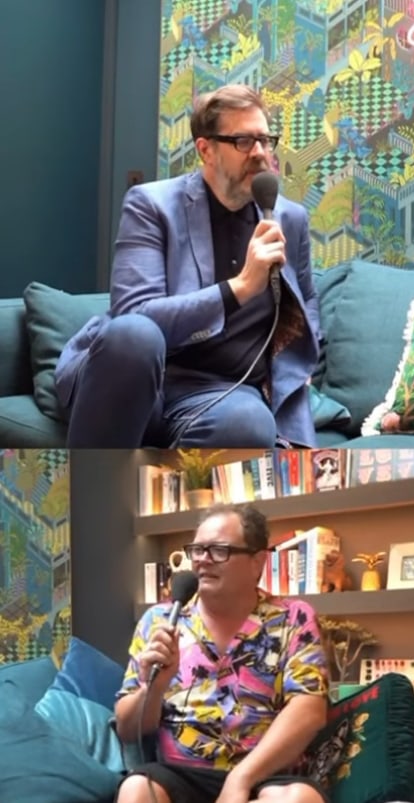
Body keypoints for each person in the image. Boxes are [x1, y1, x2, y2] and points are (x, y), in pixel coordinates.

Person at [54, 84, 321, 448]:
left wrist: (297, 369)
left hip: (218, 393)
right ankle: (97, 496)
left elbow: (307, 305)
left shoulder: (288, 217)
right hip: (141, 373)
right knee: (135, 334)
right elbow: (136, 312)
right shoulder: (152, 204)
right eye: (243, 141)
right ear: (205, 149)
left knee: (251, 422)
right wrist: (239, 288)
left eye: (265, 139)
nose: (259, 153)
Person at [114, 502, 330, 803]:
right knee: (136, 790)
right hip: (179, 775)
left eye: (219, 550)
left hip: (264, 773)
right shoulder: (160, 622)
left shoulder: (293, 618)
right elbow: (127, 728)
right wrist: (156, 685)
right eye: (197, 550)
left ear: (258, 562)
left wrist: (240, 779)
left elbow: (309, 711)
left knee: (299, 799)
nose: (203, 561)